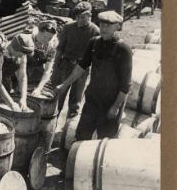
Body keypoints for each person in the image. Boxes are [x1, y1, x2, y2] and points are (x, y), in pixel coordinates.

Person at [55, 11, 132, 140]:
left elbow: (126, 84)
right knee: (81, 135)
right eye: (102, 24)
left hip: (111, 102)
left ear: (117, 26)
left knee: (104, 139)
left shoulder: (123, 49)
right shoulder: (94, 43)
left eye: (108, 25)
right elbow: (81, 67)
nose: (103, 28)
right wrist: (64, 85)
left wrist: (115, 107)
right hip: (92, 98)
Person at [51, 1, 100, 118]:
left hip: (82, 69)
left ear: (90, 16)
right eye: (77, 17)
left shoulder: (95, 31)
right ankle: (53, 120)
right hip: (66, 65)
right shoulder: (68, 28)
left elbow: (95, 57)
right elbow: (60, 50)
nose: (79, 20)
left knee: (75, 100)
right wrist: (55, 68)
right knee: (58, 96)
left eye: (83, 17)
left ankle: (68, 128)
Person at [0, 33, 35, 111]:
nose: (22, 56)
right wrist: (11, 103)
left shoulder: (22, 54)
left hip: (5, 83)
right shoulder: (0, 52)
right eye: (20, 54)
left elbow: (22, 77)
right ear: (13, 47)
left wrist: (23, 98)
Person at [27, 20, 59, 97]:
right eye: (45, 36)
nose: (46, 40)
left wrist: (39, 88)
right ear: (39, 32)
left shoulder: (51, 47)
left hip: (37, 72)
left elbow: (48, 70)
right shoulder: (28, 39)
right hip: (21, 69)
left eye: (50, 38)